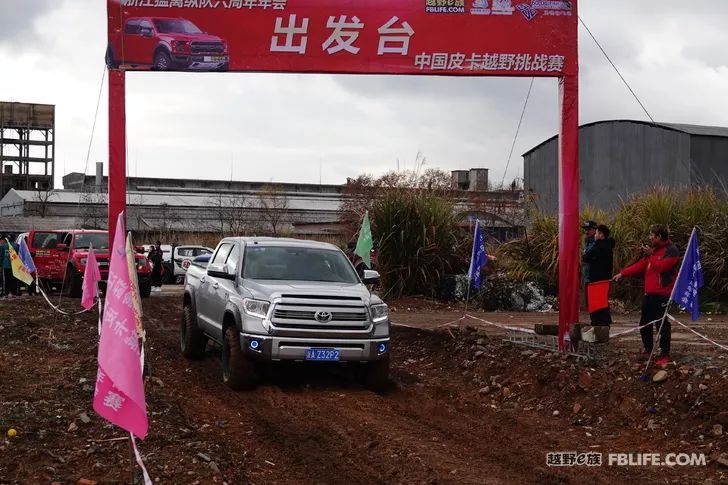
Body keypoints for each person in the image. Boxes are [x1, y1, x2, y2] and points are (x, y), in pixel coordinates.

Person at [613, 224, 680, 367]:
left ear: (659, 237)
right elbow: (641, 265)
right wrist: (622, 273)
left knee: (661, 324)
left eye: (652, 235)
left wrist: (651, 254)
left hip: (662, 294)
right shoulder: (655, 251)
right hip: (649, 294)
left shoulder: (671, 250)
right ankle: (648, 350)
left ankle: (664, 353)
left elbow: (663, 267)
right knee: (644, 323)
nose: (650, 237)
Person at [582, 224, 614, 325]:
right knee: (595, 304)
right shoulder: (600, 245)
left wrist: (595, 243)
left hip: (599, 280)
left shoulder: (601, 245)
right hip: (595, 279)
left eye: (595, 232)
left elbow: (587, 256)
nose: (587, 232)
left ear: (600, 234)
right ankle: (597, 324)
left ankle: (601, 325)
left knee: (599, 305)